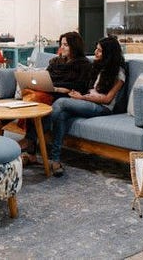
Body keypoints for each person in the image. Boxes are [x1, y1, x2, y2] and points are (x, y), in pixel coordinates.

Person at [48, 36, 126, 176]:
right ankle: (55, 160)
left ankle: (41, 129)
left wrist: (82, 97)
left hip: (103, 108)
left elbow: (107, 99)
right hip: (88, 102)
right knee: (61, 115)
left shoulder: (119, 72)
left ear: (109, 53)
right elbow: (89, 89)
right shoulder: (98, 66)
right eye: (96, 49)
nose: (95, 52)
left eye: (99, 50)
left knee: (61, 103)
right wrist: (80, 95)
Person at [19, 31, 92, 164]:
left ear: (74, 46)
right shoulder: (55, 61)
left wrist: (60, 89)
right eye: (61, 44)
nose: (62, 47)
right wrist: (46, 85)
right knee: (32, 96)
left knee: (35, 99)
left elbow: (80, 86)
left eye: (66, 45)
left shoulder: (84, 64)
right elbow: (46, 78)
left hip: (65, 96)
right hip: (50, 92)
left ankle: (29, 141)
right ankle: (29, 144)